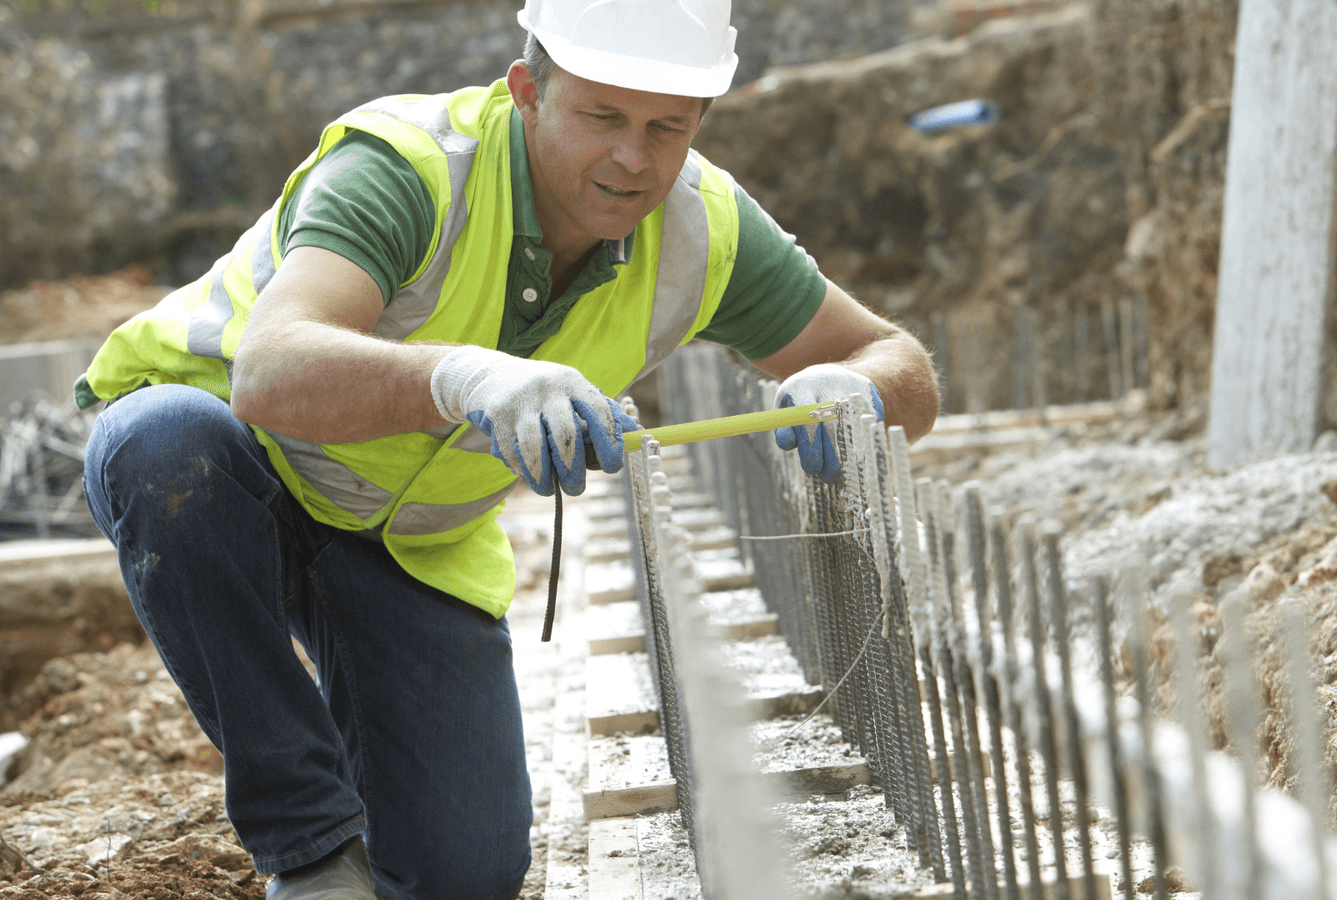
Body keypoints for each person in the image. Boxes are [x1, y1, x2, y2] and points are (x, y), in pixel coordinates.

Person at [75, 0, 938, 897]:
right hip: (238, 465)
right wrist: (466, 379)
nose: (632, 158)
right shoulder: (410, 167)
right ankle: (311, 848)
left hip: (406, 542)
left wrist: (860, 388)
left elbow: (898, 360)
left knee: (466, 872)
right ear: (527, 90)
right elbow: (272, 370)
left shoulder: (702, 228)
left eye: (665, 128)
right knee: (164, 448)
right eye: (602, 117)